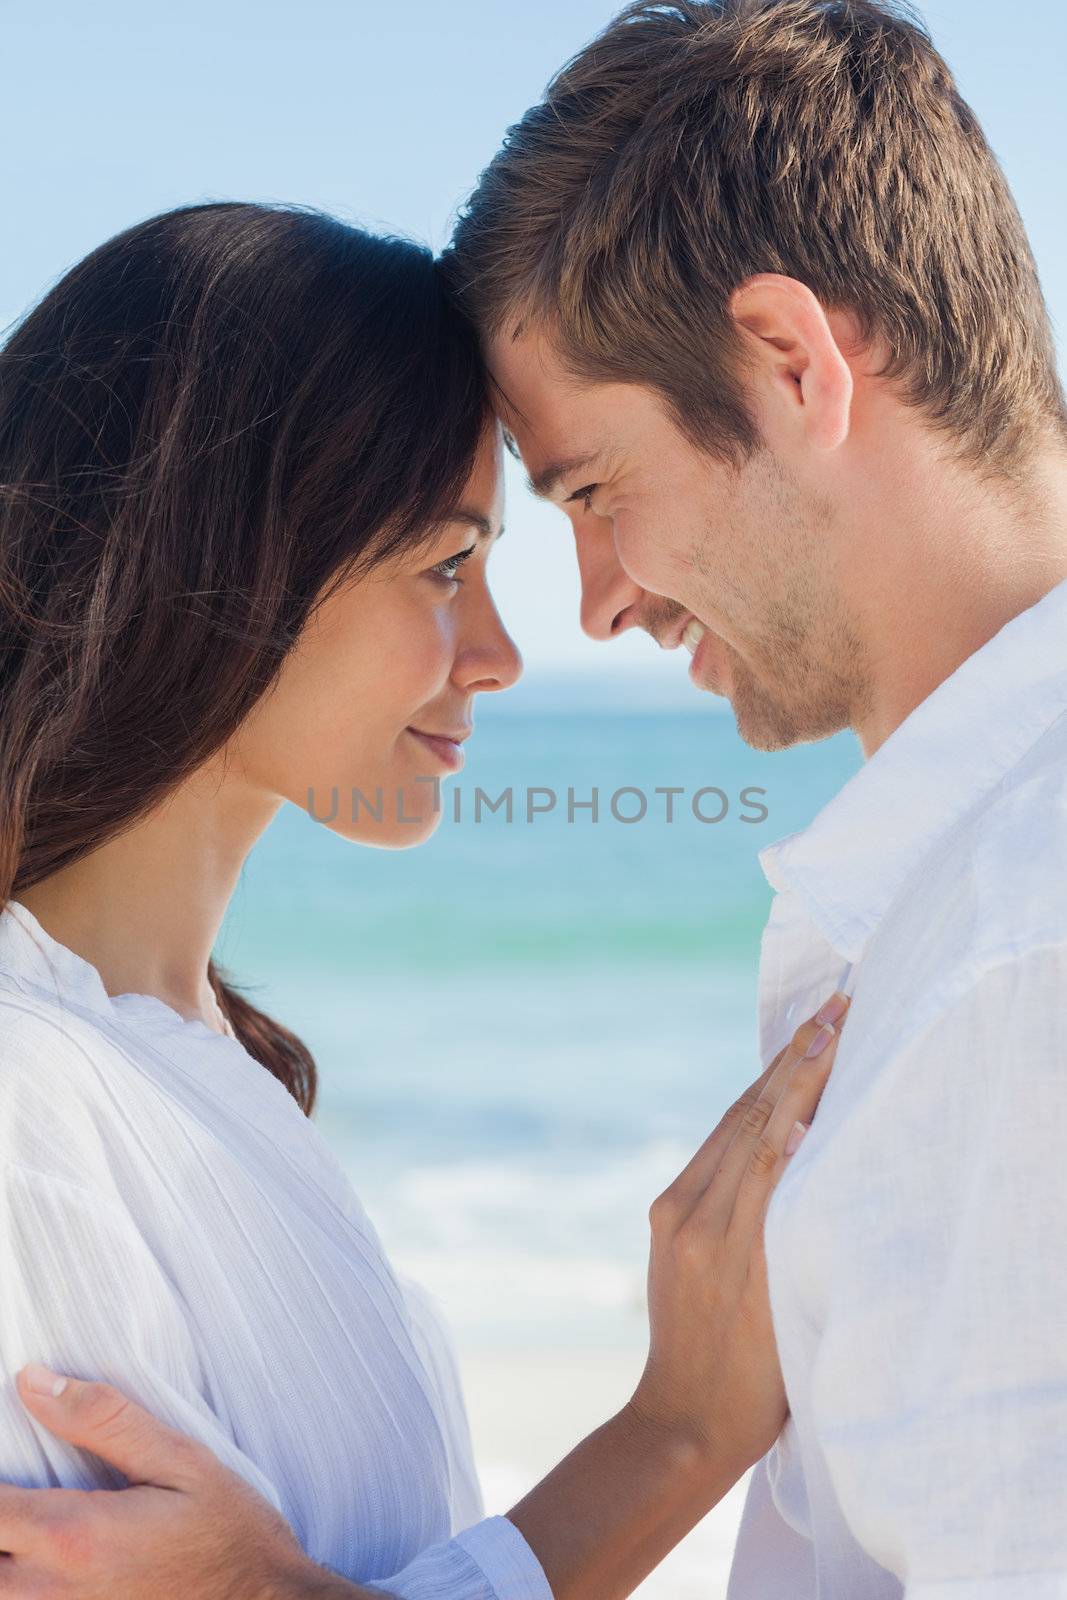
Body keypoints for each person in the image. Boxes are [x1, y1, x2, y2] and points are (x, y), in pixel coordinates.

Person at [8, 0, 1067, 1594]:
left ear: (789, 361)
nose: (573, 623)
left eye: (586, 493)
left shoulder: (1016, 951)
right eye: (458, 558)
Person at [0, 198, 849, 1600]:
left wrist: (680, 1433)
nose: (504, 654)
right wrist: (675, 1435)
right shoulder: (33, 1105)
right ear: (223, 561)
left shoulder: (196, 1068)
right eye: (446, 567)